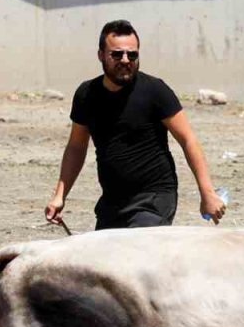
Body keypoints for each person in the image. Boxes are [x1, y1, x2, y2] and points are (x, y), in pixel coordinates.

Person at [45, 20, 227, 230]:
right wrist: (60, 196)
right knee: (106, 260)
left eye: (132, 55)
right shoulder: (87, 94)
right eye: (117, 54)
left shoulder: (155, 91)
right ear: (101, 55)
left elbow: (188, 140)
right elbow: (76, 147)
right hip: (112, 202)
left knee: (137, 256)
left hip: (154, 198)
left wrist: (207, 193)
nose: (125, 60)